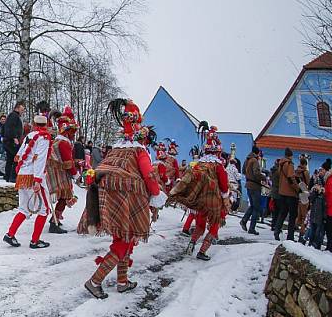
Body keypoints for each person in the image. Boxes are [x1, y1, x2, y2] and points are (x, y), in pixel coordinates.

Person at [78, 99, 165, 299]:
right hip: (127, 198)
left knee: (124, 239)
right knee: (124, 242)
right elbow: (149, 175)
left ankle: (122, 281)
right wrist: (157, 195)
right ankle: (94, 281)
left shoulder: (116, 149)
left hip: (109, 196)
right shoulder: (139, 151)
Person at [172, 125, 230, 261]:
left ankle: (192, 244)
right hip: (212, 200)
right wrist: (225, 198)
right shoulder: (218, 166)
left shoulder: (199, 164)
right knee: (215, 224)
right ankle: (202, 251)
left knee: (200, 224)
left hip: (199, 200)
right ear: (217, 152)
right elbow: (223, 185)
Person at [3, 114, 53, 249]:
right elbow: (40, 159)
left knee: (24, 208)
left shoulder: (29, 136)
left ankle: (10, 234)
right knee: (44, 209)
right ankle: (35, 241)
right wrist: (37, 180)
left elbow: (19, 155)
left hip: (22, 174)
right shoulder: (44, 137)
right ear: (46, 125)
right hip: (32, 176)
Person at [47, 106, 79, 234]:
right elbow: (68, 162)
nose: (74, 134)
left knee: (64, 197)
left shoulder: (59, 141)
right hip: (61, 174)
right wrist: (76, 174)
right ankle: (53, 222)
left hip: (58, 172)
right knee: (65, 196)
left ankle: (55, 219)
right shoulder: (64, 143)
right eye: (72, 131)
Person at [273, 148, 300, 241]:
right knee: (293, 215)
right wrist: (298, 189)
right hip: (290, 194)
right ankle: (290, 236)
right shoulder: (289, 164)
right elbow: (290, 178)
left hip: (282, 192)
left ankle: (276, 230)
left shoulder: (281, 164)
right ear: (291, 156)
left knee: (282, 213)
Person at [241, 146, 266, 235]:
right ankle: (252, 228)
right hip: (255, 186)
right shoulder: (255, 160)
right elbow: (256, 173)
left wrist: (249, 175)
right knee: (256, 207)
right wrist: (263, 177)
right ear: (258, 152)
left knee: (252, 205)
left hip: (248, 184)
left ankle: (244, 220)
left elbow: (243, 171)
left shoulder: (247, 159)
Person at [3, 102, 25, 183]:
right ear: (17, 108)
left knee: (10, 159)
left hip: (8, 140)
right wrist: (14, 137)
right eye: (22, 110)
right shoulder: (14, 116)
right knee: (17, 158)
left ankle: (7, 176)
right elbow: (10, 127)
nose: (22, 111)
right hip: (12, 141)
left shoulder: (12, 116)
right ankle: (13, 177)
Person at [296, 154, 312, 243]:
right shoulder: (305, 172)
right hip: (304, 194)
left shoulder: (296, 171)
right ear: (305, 164)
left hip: (298, 194)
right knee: (304, 217)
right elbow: (308, 183)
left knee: (299, 215)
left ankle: (295, 228)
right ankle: (301, 235)